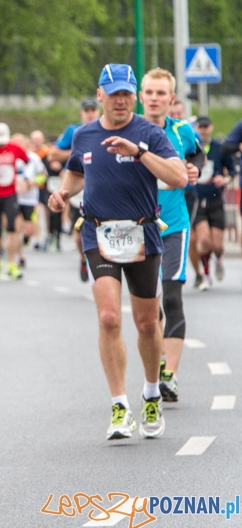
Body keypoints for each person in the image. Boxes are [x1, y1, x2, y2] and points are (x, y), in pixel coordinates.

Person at [48, 64, 187, 441]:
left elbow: (178, 177)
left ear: (134, 96)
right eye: (114, 94)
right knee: (109, 317)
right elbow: (77, 173)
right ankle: (120, 406)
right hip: (98, 232)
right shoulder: (84, 134)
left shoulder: (150, 133)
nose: (121, 100)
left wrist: (139, 152)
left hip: (142, 232)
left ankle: (152, 392)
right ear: (100, 95)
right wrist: (63, 193)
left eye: (127, 93)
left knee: (146, 323)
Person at [138, 68, 203, 403]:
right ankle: (156, 361)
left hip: (174, 224)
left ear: (171, 99)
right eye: (149, 92)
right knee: (149, 304)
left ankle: (170, 376)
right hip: (138, 225)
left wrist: (194, 168)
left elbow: (197, 154)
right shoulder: (129, 130)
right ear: (140, 96)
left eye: (161, 93)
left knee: (173, 296)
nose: (154, 98)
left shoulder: (181, 130)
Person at [49, 99, 101, 280]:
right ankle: (82, 258)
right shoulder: (74, 131)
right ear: (81, 113)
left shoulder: (107, 130)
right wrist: (79, 151)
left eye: (93, 110)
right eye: (86, 110)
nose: (90, 114)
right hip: (79, 188)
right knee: (79, 235)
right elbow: (53, 154)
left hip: (101, 189)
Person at [193, 116, 236, 289]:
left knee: (217, 244)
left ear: (211, 128)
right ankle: (206, 275)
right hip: (198, 199)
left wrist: (224, 179)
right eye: (200, 127)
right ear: (196, 128)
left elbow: (232, 171)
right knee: (204, 240)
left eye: (206, 127)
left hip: (216, 200)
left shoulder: (220, 148)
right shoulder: (192, 146)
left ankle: (218, 258)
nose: (203, 130)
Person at [0, 122, 28, 281]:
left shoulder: (15, 147)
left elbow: (28, 161)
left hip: (10, 193)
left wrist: (25, 180)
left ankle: (11, 264)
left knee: (12, 227)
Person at [12, 133, 46, 268]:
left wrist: (33, 182)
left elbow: (43, 176)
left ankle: (25, 240)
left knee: (29, 230)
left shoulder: (33, 158)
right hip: (13, 197)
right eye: (16, 142)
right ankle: (20, 256)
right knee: (15, 228)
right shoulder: (10, 157)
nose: (19, 144)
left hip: (30, 199)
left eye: (21, 141)